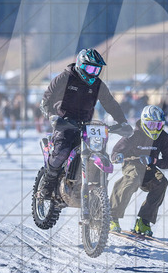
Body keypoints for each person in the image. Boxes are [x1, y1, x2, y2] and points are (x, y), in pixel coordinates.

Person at [39, 48, 132, 199]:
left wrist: (123, 122)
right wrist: (52, 117)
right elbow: (45, 101)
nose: (93, 73)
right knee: (62, 151)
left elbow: (110, 104)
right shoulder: (64, 78)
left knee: (99, 151)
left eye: (96, 69)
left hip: (86, 126)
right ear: (80, 65)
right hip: (64, 123)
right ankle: (47, 184)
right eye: (90, 68)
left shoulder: (97, 84)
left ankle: (96, 190)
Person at [109, 105, 168, 236]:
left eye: (158, 125)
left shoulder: (164, 137)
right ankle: (111, 217)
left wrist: (155, 161)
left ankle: (144, 221)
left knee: (161, 182)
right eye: (151, 124)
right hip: (131, 164)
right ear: (144, 122)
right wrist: (118, 156)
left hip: (149, 167)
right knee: (133, 179)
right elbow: (115, 152)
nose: (155, 128)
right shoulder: (133, 135)